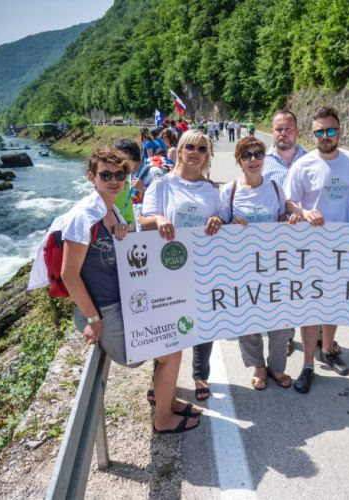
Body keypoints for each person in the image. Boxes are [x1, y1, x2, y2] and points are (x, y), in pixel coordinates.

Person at [29, 147, 200, 434]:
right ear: (91, 176)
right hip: (104, 312)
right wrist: (94, 320)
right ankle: (162, 420)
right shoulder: (83, 217)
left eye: (119, 174)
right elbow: (68, 274)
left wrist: (124, 232)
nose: (113, 180)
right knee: (169, 351)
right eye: (105, 174)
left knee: (174, 342)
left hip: (124, 302)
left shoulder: (112, 210)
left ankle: (168, 401)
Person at [140, 130, 227, 401]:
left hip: (203, 267)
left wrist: (218, 221)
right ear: (179, 150)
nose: (195, 153)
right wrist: (158, 220)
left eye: (202, 149)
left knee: (204, 322)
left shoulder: (212, 191)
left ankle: (201, 376)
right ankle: (161, 380)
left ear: (207, 155)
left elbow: (223, 219)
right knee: (166, 324)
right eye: (190, 146)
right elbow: (143, 220)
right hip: (168, 266)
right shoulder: (162, 184)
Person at [284, 106, 349, 393]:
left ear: (339, 131)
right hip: (310, 246)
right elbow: (290, 203)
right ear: (313, 134)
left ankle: (328, 350)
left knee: (335, 302)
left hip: (344, 246)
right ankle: (307, 365)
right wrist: (305, 212)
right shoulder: (302, 165)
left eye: (330, 131)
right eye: (320, 132)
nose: (325, 136)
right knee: (310, 306)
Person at [221, 137, 294, 390]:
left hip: (275, 264)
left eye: (258, 154)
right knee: (248, 318)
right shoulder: (229, 190)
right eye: (247, 155)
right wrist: (229, 226)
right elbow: (220, 227)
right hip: (242, 266)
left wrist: (292, 220)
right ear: (239, 160)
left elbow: (284, 216)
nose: (253, 159)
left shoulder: (275, 187)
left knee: (280, 317)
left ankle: (276, 366)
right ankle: (258, 366)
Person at [261, 109, 314, 357]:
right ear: (272, 132)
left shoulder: (312, 158)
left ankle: (317, 335)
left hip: (310, 236)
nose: (283, 133)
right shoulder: (262, 161)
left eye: (288, 128)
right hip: (277, 234)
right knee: (282, 287)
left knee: (308, 286)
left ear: (297, 131)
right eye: (278, 129)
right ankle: (288, 334)